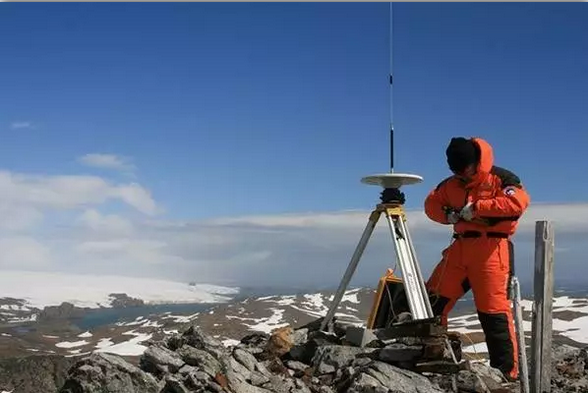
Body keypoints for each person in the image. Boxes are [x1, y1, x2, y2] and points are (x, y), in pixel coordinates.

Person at [423, 136, 530, 381]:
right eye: (457, 171)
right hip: (460, 247)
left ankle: (505, 374)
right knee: (432, 302)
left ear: (476, 161)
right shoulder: (450, 184)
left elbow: (517, 202)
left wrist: (480, 208)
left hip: (491, 249)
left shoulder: (502, 178)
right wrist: (447, 215)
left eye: (467, 169)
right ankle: (433, 358)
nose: (463, 175)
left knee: (493, 312)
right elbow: (431, 204)